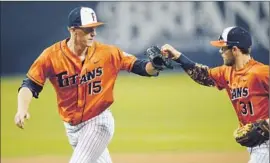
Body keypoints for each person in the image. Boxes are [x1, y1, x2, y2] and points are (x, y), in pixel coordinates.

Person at [14, 7, 163, 163]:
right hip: (72, 128)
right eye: (88, 29)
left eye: (95, 28)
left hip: (99, 122)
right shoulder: (51, 56)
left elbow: (139, 66)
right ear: (73, 30)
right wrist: (22, 109)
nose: (94, 33)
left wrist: (155, 65)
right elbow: (30, 84)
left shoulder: (107, 53)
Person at [160, 26, 269, 163]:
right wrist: (177, 56)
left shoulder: (261, 73)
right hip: (258, 146)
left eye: (223, 48)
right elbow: (202, 75)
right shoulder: (227, 72)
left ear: (235, 50)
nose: (220, 51)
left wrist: (267, 124)